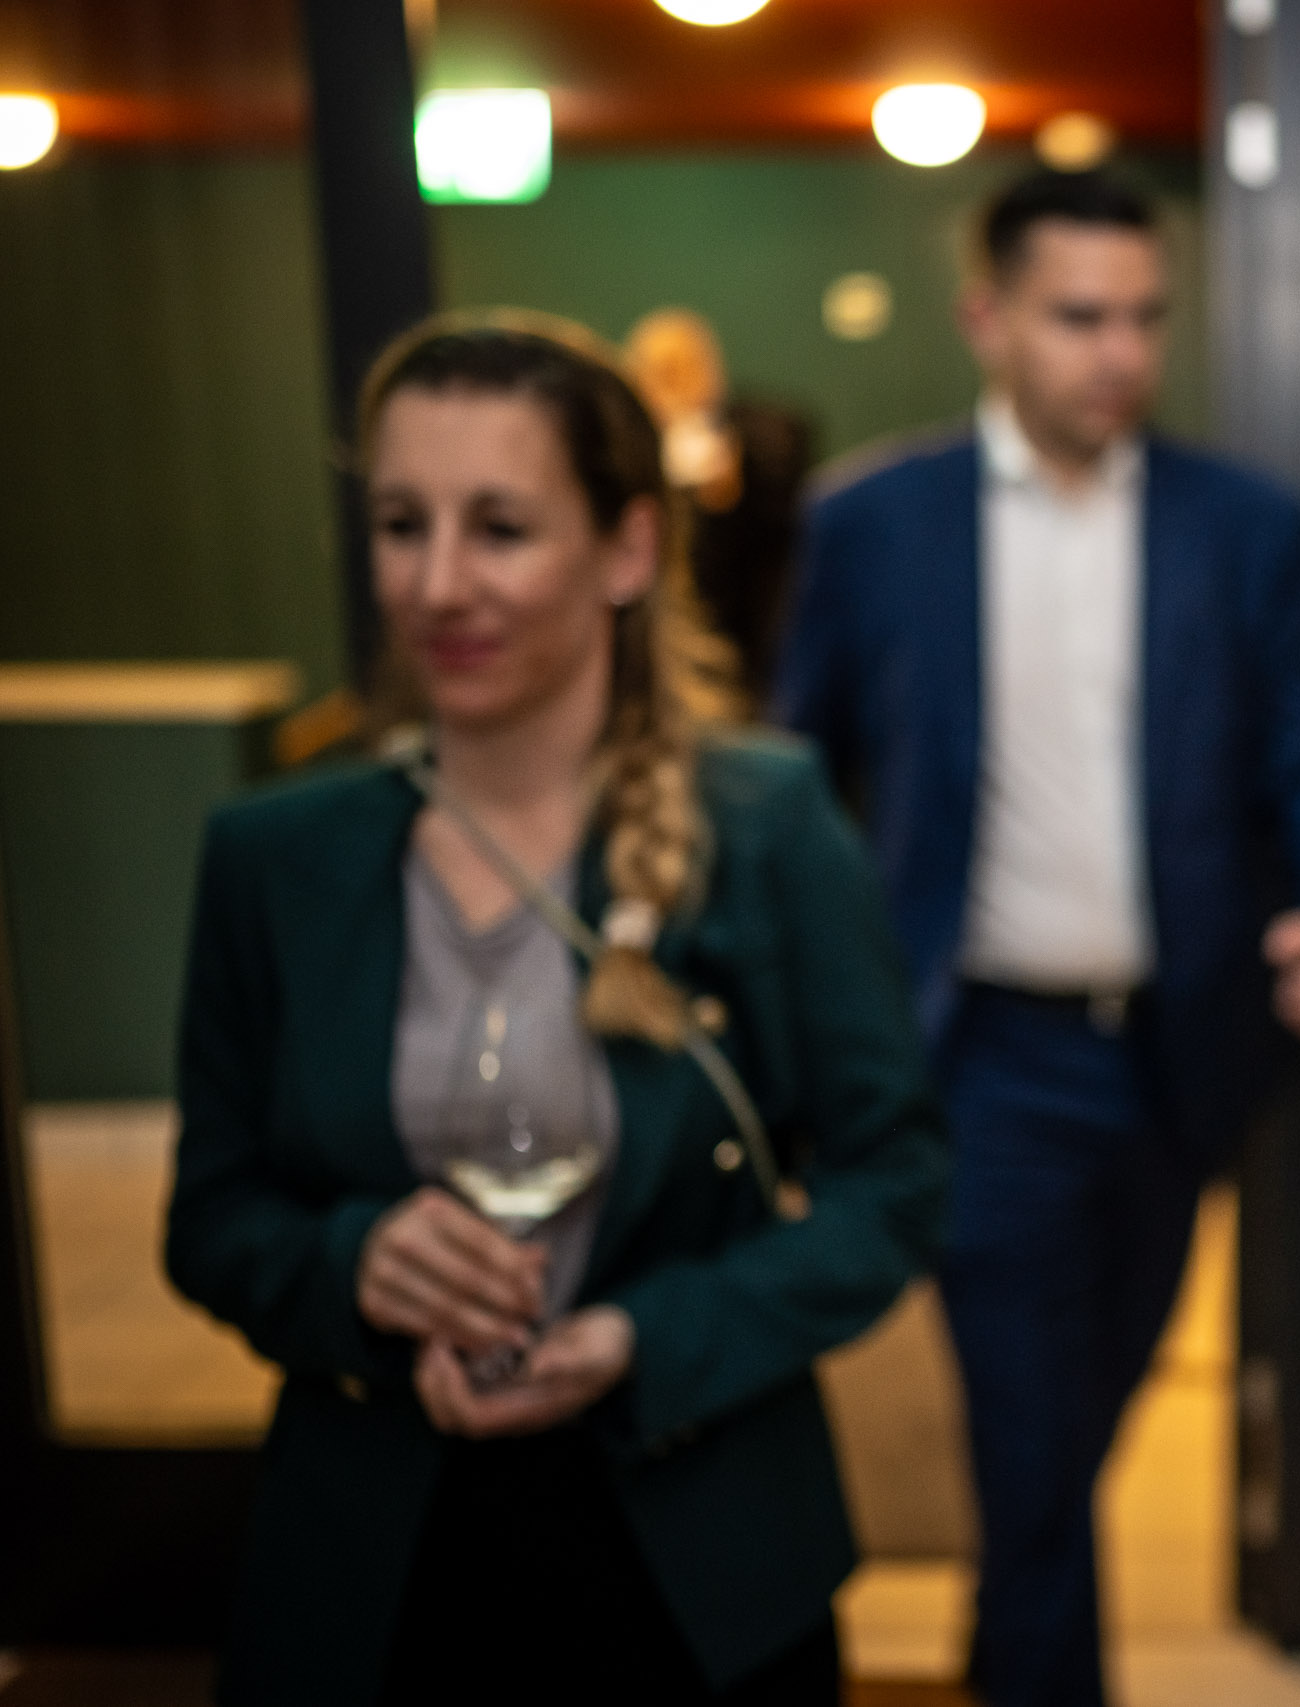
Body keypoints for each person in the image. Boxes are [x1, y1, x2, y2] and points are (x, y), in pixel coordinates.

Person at [165, 311, 945, 1705]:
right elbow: (211, 1218)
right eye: (402, 524)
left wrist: (646, 1336)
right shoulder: (272, 859)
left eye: (501, 528)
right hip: (373, 1566)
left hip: (704, 1562)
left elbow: (893, 1189)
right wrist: (352, 1262)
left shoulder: (764, 826)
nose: (438, 583)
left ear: (628, 549)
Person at [777, 169, 1300, 1707]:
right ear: (987, 317)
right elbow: (796, 780)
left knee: (1083, 1413)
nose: (1120, 351)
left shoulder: (1243, 526)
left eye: (1144, 317)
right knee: (1034, 1439)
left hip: (1180, 1052)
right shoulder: (871, 521)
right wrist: (816, 999)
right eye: (1078, 316)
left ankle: (1006, 1639)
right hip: (980, 1054)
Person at [624, 306, 815, 704]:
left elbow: (784, 521)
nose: (675, 382)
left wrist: (732, 474)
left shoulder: (764, 435)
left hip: (753, 651)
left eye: (685, 366)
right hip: (655, 653)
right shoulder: (624, 451)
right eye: (662, 371)